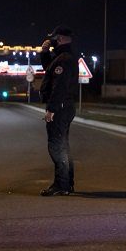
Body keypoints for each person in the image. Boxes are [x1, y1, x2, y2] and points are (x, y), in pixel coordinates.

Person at [39, 25, 79, 196]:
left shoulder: (64, 59)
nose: (52, 41)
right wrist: (44, 52)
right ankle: (67, 183)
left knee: (56, 146)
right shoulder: (63, 57)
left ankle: (61, 185)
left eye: (54, 38)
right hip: (65, 107)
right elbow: (50, 69)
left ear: (60, 38)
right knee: (63, 145)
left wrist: (51, 109)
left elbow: (59, 86)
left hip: (60, 108)